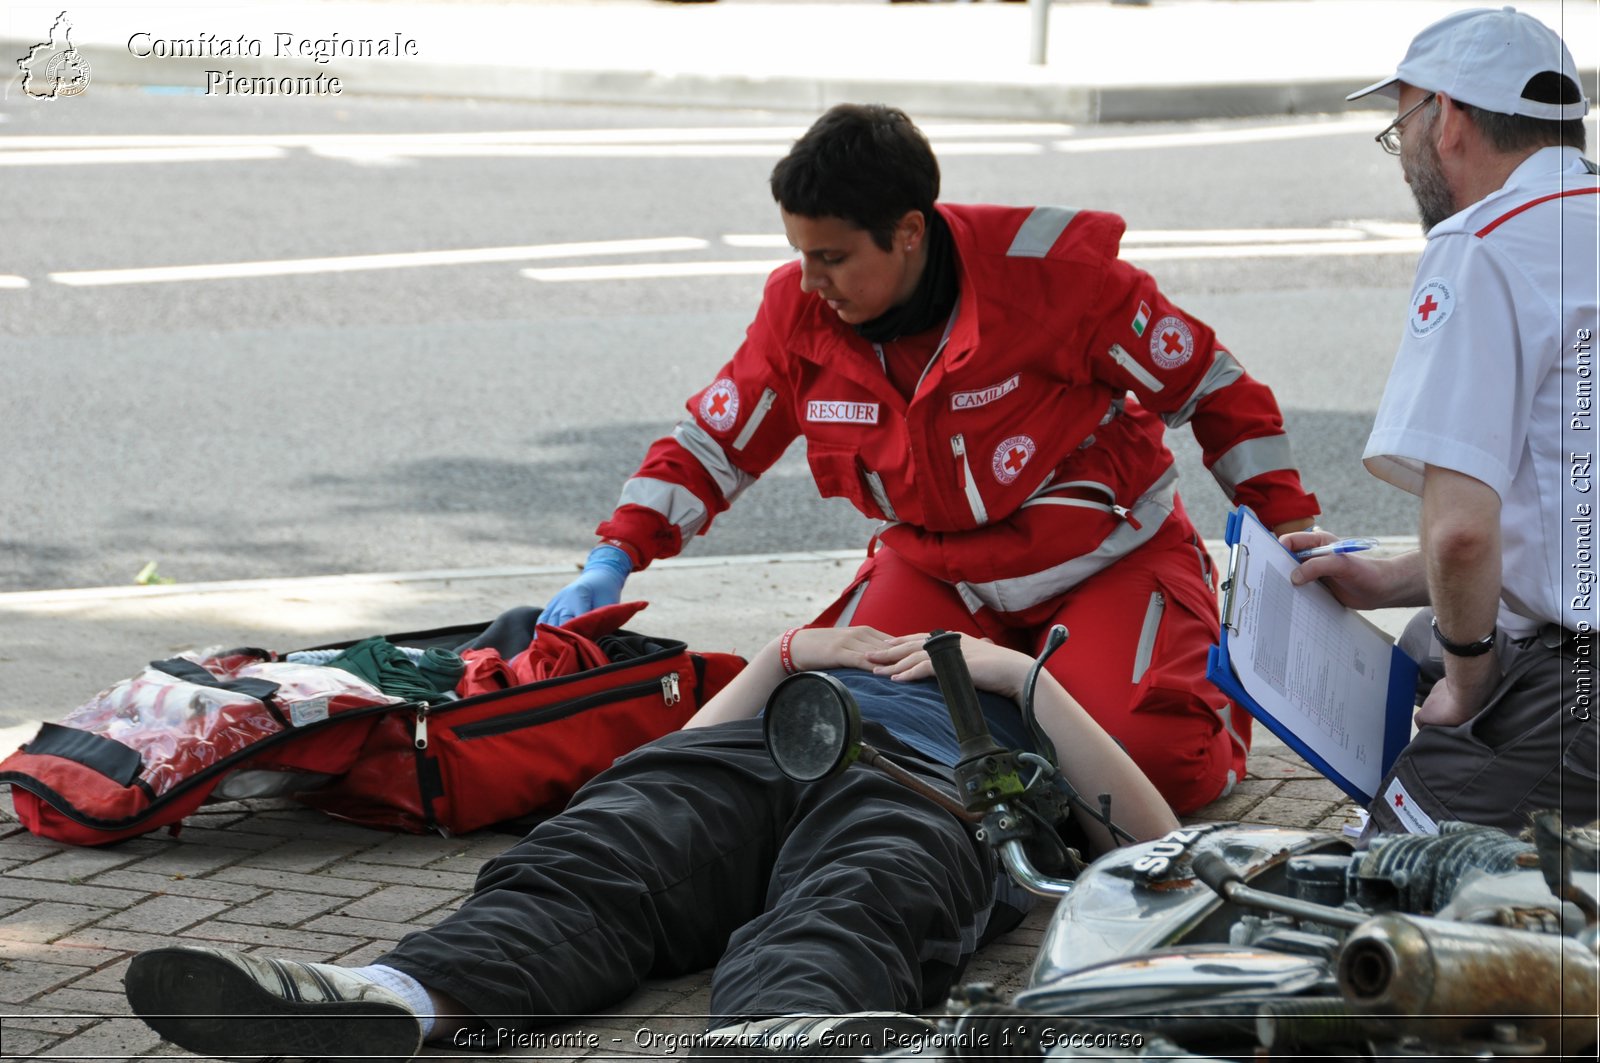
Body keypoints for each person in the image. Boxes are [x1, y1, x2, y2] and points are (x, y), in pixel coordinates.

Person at [542, 103, 1320, 814]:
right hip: (941, 575)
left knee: (1150, 774)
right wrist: (614, 553)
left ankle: (1134, 687)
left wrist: (1287, 532)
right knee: (821, 736)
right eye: (800, 253)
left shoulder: (1059, 279)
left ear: (909, 231)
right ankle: (1025, 696)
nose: (809, 282)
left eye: (833, 258)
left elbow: (1212, 387)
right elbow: (715, 444)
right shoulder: (800, 310)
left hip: (1103, 562)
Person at [124, 626, 1178, 1062]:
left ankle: (784, 1031)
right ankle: (397, 994)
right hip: (761, 747)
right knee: (606, 851)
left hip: (933, 787)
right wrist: (789, 650)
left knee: (862, 890)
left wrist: (1014, 677)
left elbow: (1163, 847)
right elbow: (670, 752)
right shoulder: (846, 643)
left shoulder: (1025, 695)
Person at [1286, 7, 1597, 836]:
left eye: (1402, 128)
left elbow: (1463, 532)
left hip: (1581, 687)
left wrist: (1467, 682)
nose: (1404, 159)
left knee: (1383, 896)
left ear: (1448, 118)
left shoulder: (1484, 245)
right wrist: (1391, 576)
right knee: (1428, 628)